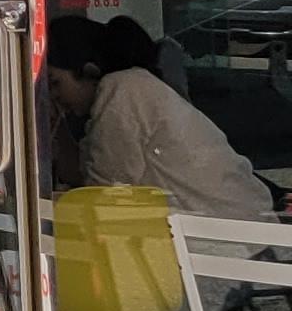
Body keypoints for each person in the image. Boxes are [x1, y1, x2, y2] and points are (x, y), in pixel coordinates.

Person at [46, 14, 278, 222]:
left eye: (56, 82)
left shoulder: (123, 91)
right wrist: (57, 128)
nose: (54, 94)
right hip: (236, 232)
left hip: (228, 240)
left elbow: (105, 193)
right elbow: (83, 174)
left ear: (89, 70)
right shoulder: (131, 90)